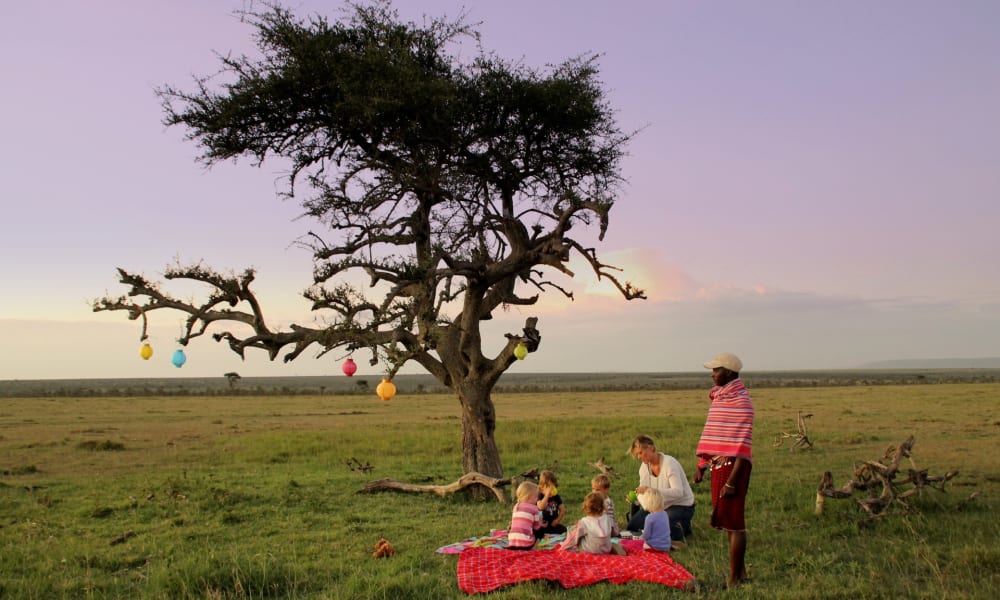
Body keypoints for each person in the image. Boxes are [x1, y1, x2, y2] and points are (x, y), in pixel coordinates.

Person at [693, 352, 754, 587]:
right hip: (719, 466)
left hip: (734, 469)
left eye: (716, 370)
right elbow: (716, 436)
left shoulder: (742, 403)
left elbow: (741, 447)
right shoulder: (720, 398)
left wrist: (731, 481)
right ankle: (742, 573)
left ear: (728, 373)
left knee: (735, 522)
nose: (712, 374)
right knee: (730, 521)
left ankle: (733, 579)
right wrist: (703, 465)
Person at [626, 435, 696, 542]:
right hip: (657, 506)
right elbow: (646, 494)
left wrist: (652, 491)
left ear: (651, 448)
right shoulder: (644, 468)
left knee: (661, 531)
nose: (639, 457)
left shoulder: (669, 464)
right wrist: (637, 499)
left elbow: (678, 492)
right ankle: (671, 527)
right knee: (632, 527)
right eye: (637, 455)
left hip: (680, 506)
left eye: (640, 453)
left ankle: (683, 527)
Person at [507, 481, 543, 550]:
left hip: (512, 543)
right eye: (536, 497)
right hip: (526, 545)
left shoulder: (516, 506)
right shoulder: (534, 508)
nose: (537, 499)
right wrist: (540, 521)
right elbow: (536, 527)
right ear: (528, 497)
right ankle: (534, 547)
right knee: (540, 531)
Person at [535, 470, 567, 537]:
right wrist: (546, 495)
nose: (550, 490)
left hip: (553, 523)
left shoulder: (556, 496)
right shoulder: (540, 495)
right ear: (541, 487)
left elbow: (562, 509)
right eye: (548, 487)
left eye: (552, 487)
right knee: (537, 532)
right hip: (541, 525)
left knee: (565, 531)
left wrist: (557, 520)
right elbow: (541, 507)